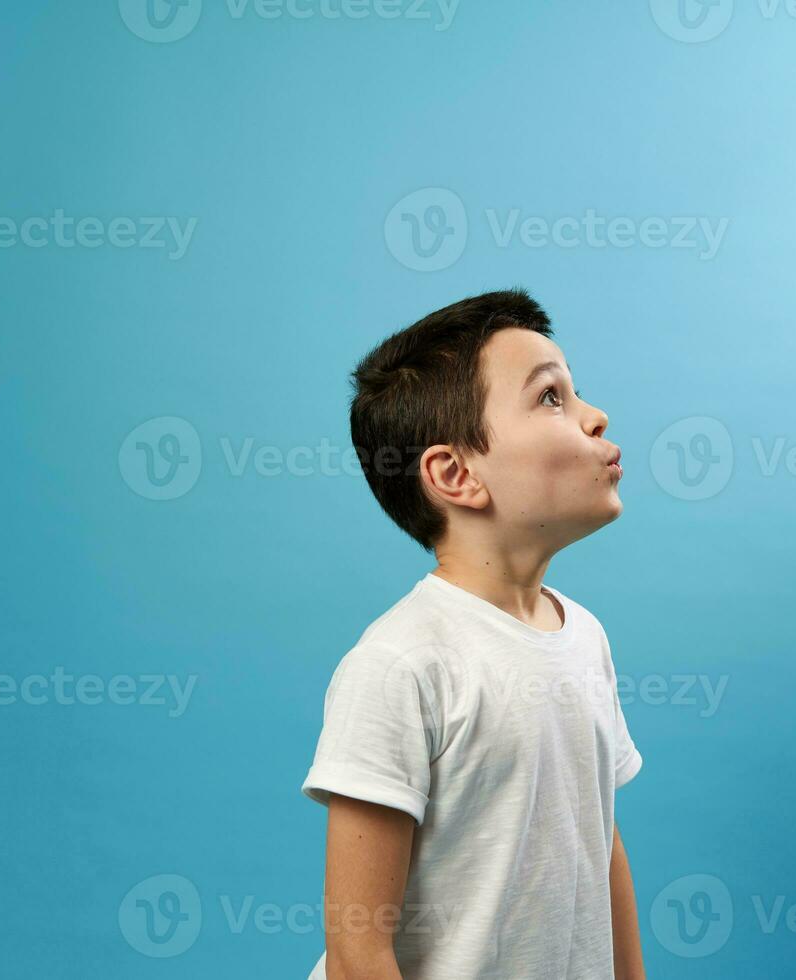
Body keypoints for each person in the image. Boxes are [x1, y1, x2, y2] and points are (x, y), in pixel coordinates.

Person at [301, 288, 644, 978]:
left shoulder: (584, 637)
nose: (594, 415)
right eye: (551, 397)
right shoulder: (402, 664)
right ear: (455, 474)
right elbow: (356, 948)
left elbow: (595, 837)